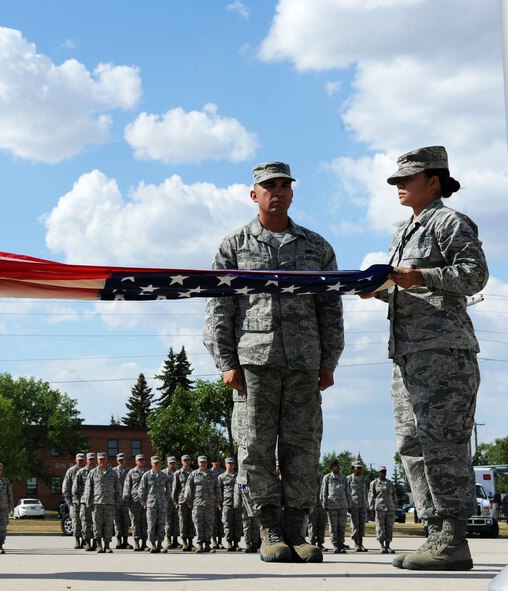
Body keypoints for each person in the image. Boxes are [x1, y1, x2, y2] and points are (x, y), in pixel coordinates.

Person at [204, 161, 343, 564]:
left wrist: (329, 360)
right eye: (269, 186)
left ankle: (298, 531)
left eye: (284, 185)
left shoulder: (317, 247)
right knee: (255, 448)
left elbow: (330, 308)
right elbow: (219, 308)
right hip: (254, 364)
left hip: (304, 364)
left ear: (293, 193)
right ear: (255, 194)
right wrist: (226, 362)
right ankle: (268, 530)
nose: (277, 192)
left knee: (303, 447)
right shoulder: (233, 246)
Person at [360, 146, 487, 572]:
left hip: (443, 353)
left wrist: (421, 276)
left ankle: (453, 537)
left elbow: (474, 274)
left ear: (434, 180)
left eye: (407, 179)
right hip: (408, 353)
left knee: (443, 442)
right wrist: (378, 289)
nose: (398, 186)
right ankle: (434, 531)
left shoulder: (449, 221)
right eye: (395, 181)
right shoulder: (404, 230)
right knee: (412, 445)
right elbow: (407, 286)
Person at [185, 455, 221, 553]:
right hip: (197, 504)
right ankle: (200, 545)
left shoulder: (213, 475)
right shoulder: (193, 474)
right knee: (198, 524)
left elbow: (217, 488)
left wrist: (218, 501)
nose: (203, 464)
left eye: (204, 462)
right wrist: (189, 501)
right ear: (198, 463)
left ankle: (208, 545)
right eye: (201, 462)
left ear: (207, 463)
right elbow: (188, 489)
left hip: (210, 504)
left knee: (209, 524)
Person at [86, 452, 118, 553]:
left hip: (110, 503)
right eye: (100, 459)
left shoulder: (113, 473)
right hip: (97, 503)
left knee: (108, 525)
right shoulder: (93, 473)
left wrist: (118, 501)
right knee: (97, 525)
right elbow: (88, 489)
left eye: (103, 459)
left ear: (106, 460)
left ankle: (107, 546)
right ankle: (99, 545)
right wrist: (88, 502)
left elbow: (118, 488)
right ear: (97, 460)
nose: (102, 461)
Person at [139, 456, 171, 554]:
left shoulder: (164, 475)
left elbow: (168, 490)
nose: (156, 464)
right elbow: (141, 489)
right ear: (151, 463)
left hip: (162, 504)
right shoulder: (146, 475)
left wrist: (165, 500)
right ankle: (152, 544)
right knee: (151, 524)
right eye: (154, 463)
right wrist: (143, 502)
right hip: (151, 504)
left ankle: (159, 544)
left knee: (161, 524)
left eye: (157, 462)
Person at [321, 460, 350, 553]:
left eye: (338, 466)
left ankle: (341, 545)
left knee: (342, 527)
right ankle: (335, 545)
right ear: (331, 468)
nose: (337, 468)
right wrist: (324, 504)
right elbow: (323, 493)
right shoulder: (327, 478)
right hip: (331, 506)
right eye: (335, 466)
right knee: (333, 527)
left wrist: (349, 505)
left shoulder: (344, 478)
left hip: (342, 506)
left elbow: (348, 492)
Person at [368, 466, 397, 554]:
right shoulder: (374, 483)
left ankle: (388, 546)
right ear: (378, 473)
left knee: (389, 527)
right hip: (379, 508)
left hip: (390, 509)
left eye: (384, 471)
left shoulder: (390, 483)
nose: (383, 473)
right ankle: (382, 546)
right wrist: (371, 508)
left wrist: (395, 506)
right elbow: (371, 496)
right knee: (380, 528)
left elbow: (394, 496)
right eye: (381, 471)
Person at [73, 453, 98, 551]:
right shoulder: (81, 472)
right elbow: (75, 487)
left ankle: (96, 543)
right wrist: (76, 499)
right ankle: (87, 543)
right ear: (86, 460)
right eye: (89, 459)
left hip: (96, 501)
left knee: (96, 523)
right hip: (84, 501)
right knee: (85, 523)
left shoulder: (99, 471)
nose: (91, 461)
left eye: (93, 459)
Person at [123, 454, 148, 551]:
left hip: (146, 502)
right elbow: (127, 487)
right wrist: (127, 501)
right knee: (135, 523)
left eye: (142, 460)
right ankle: (137, 542)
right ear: (136, 461)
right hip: (134, 502)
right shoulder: (131, 472)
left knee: (145, 523)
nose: (141, 461)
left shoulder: (148, 472)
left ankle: (144, 543)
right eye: (139, 460)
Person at [62, 453, 86, 549]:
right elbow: (65, 487)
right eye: (79, 460)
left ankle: (85, 540)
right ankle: (77, 540)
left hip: (85, 501)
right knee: (76, 521)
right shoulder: (71, 471)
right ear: (75, 461)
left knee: (85, 521)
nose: (80, 461)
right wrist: (69, 500)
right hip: (74, 502)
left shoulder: (88, 470)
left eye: (82, 460)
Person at [172, 454, 195, 551]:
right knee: (182, 522)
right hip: (181, 501)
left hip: (192, 501)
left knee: (191, 522)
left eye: (188, 460)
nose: (186, 462)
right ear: (181, 462)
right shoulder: (178, 473)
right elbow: (175, 488)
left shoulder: (194, 473)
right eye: (184, 460)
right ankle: (184, 542)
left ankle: (191, 542)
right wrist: (175, 502)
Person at [219, 457, 241, 552]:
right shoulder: (221, 477)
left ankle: (236, 543)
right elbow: (219, 491)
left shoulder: (238, 476)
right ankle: (228, 542)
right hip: (226, 503)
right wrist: (219, 504)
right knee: (227, 523)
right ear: (225, 464)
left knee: (237, 524)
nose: (230, 465)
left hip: (237, 504)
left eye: (232, 463)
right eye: (228, 463)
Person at [346, 460, 368, 552]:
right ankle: (356, 544)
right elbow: (346, 492)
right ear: (353, 468)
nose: (359, 469)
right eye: (357, 468)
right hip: (353, 505)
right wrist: (348, 505)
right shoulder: (349, 479)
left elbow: (366, 492)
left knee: (361, 525)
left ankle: (361, 543)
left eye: (360, 468)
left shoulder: (363, 479)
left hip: (362, 505)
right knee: (355, 525)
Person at [113, 453, 132, 549]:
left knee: (125, 521)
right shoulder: (112, 471)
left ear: (125, 460)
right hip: (116, 501)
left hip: (126, 501)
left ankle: (125, 541)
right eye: (119, 460)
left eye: (122, 460)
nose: (121, 461)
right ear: (117, 460)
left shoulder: (130, 471)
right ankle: (118, 541)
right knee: (117, 521)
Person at [308, 472, 327, 551]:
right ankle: (312, 543)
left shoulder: (323, 477)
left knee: (321, 525)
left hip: (322, 504)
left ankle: (320, 543)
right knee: (312, 525)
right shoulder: (308, 476)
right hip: (312, 504)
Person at [209, 457, 225, 549]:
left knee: (220, 522)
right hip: (211, 500)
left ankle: (220, 541)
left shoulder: (223, 472)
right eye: (215, 461)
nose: (217, 463)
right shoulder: (209, 473)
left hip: (222, 501)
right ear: (212, 463)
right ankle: (214, 541)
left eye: (218, 461)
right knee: (213, 522)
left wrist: (220, 502)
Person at [164, 457, 180, 549]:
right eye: (170, 463)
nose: (172, 464)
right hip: (167, 501)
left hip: (176, 501)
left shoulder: (178, 473)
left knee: (176, 521)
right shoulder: (163, 473)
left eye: (173, 463)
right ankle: (168, 540)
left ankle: (175, 540)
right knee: (168, 521)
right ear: (167, 463)